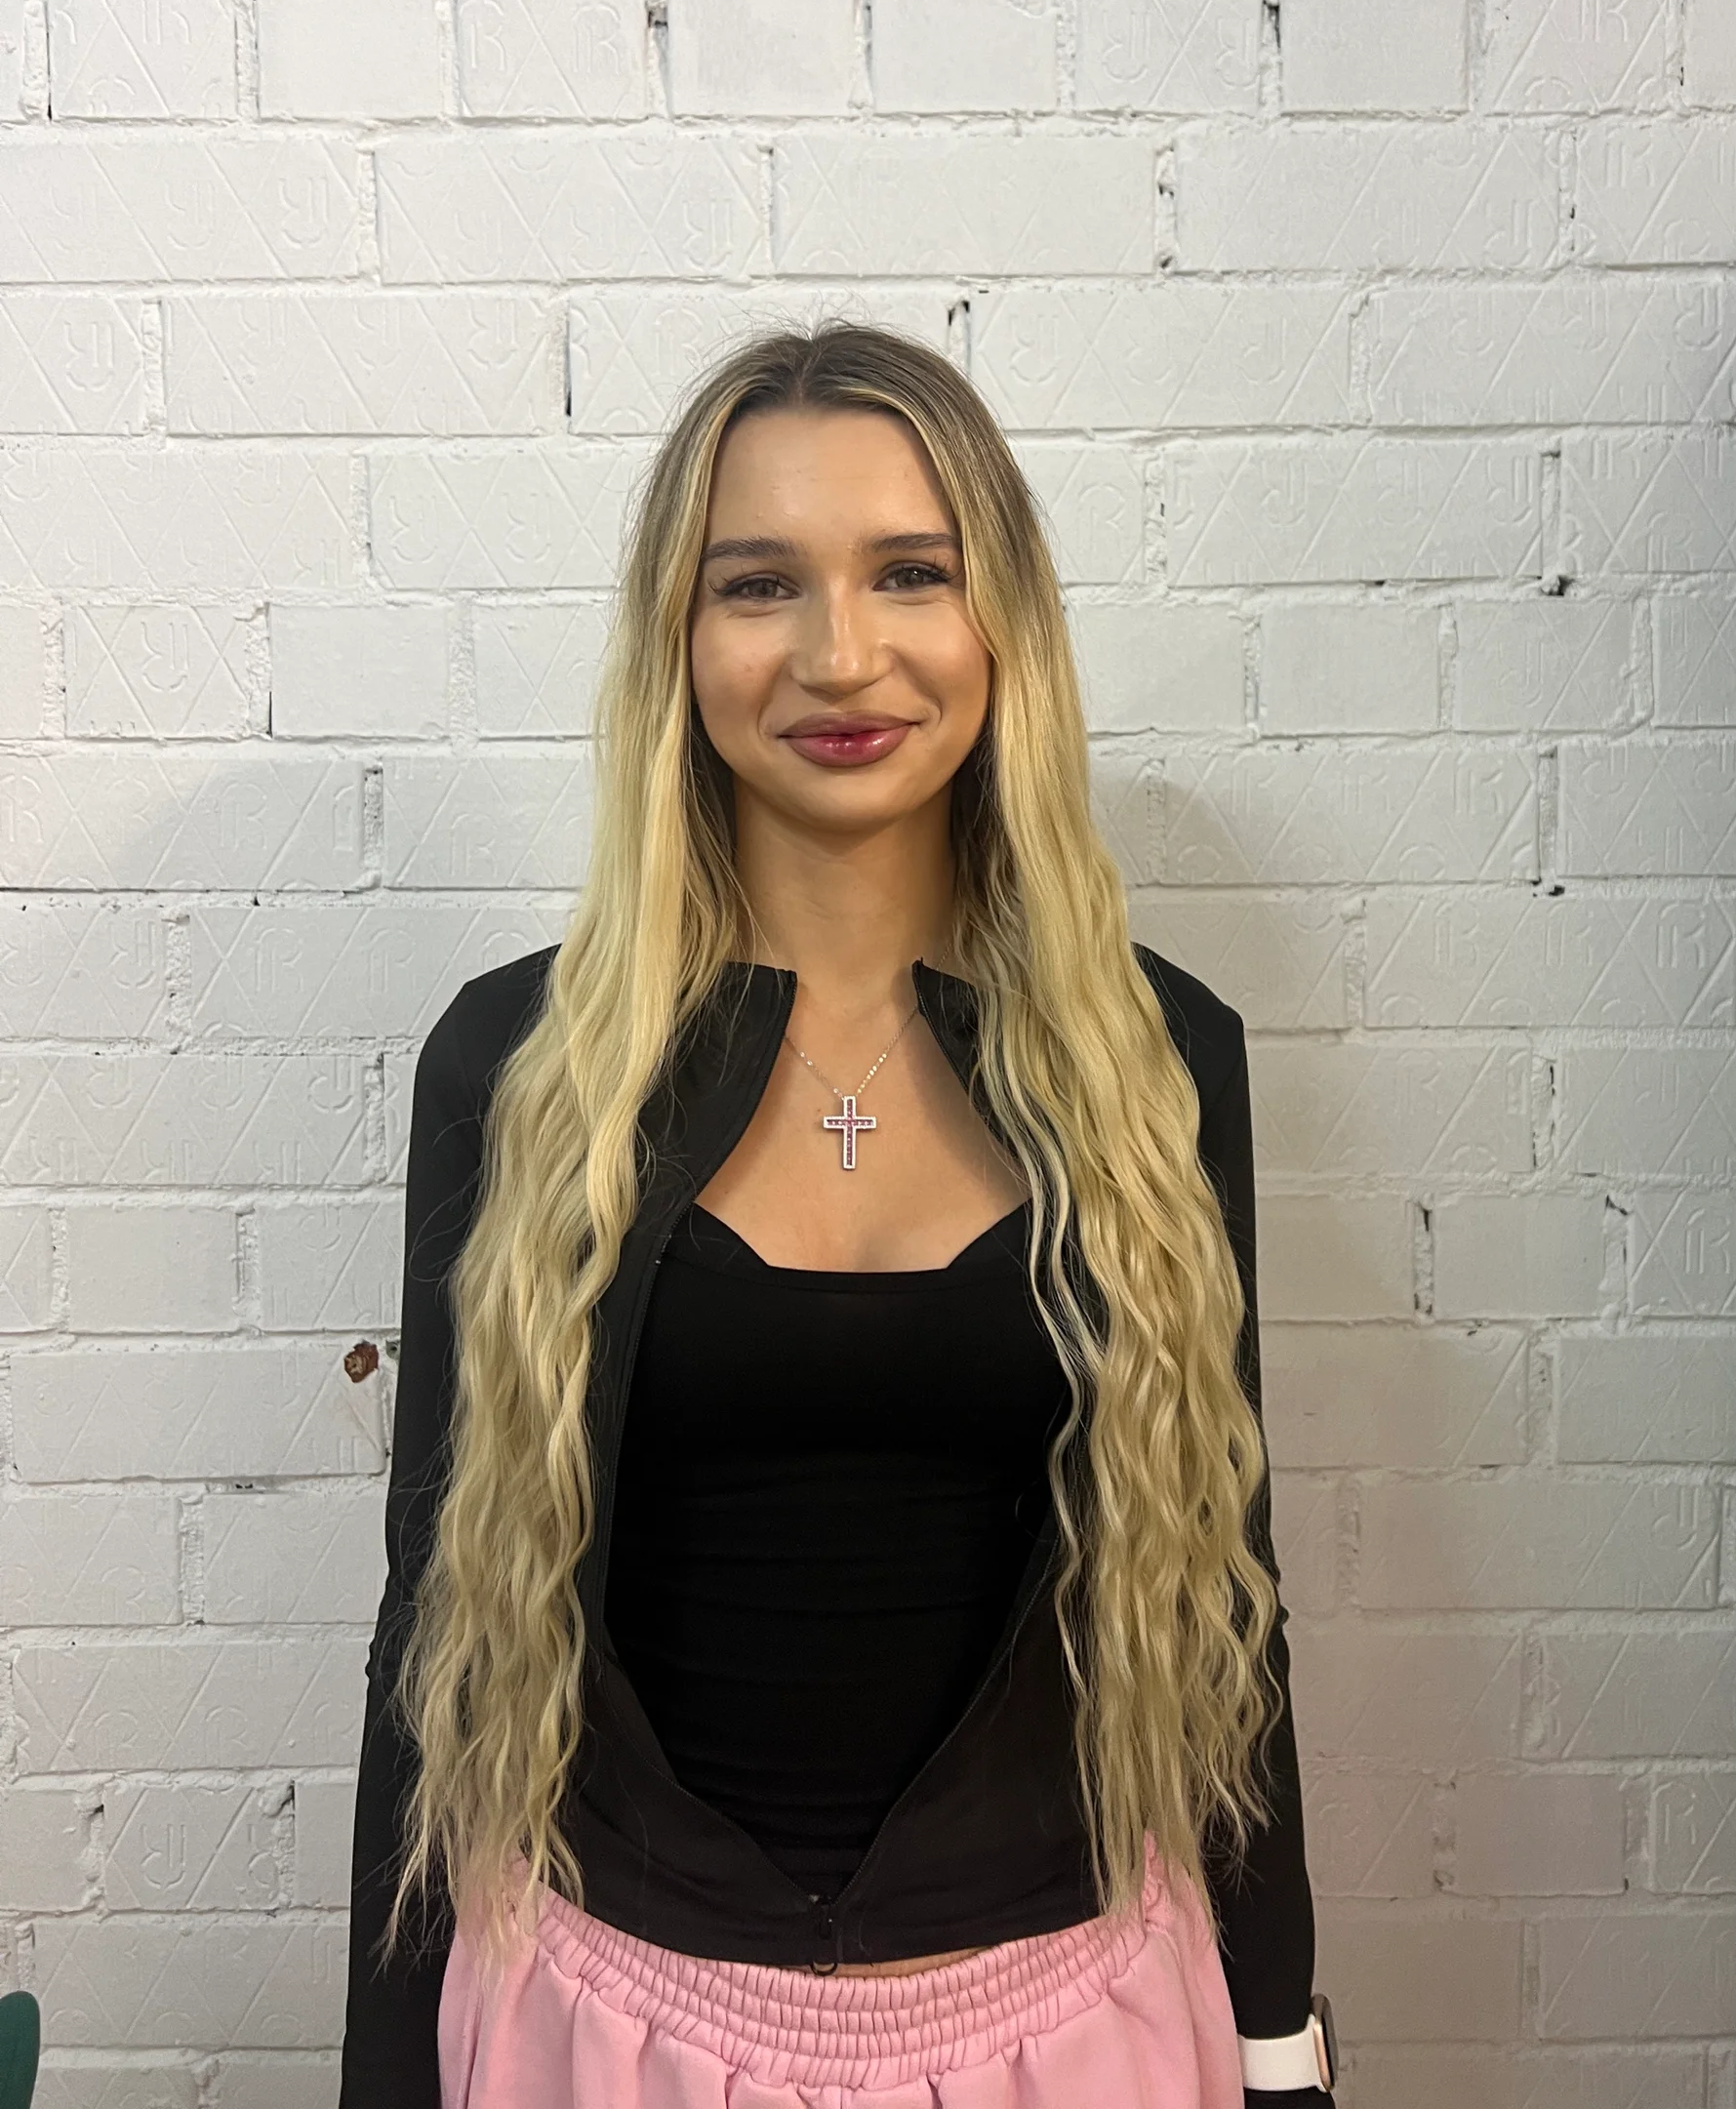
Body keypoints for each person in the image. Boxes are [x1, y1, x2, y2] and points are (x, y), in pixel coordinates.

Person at [340, 323, 1334, 2108]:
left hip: (1073, 2029)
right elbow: (439, 1635)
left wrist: (1282, 2055)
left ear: (1001, 620)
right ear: (677, 637)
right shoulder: (517, 1067)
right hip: (611, 2029)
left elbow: (1223, 1600)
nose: (840, 653)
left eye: (910, 573)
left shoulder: (1162, 1058)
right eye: (758, 584)